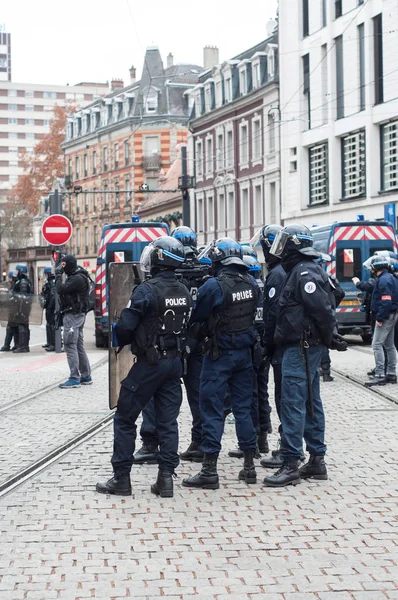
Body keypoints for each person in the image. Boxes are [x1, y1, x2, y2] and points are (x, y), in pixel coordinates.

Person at [96, 237, 192, 498]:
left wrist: (123, 336)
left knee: (125, 416)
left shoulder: (146, 290)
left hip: (150, 364)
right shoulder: (183, 290)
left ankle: (121, 479)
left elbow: (125, 327)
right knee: (168, 421)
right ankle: (165, 480)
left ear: (158, 259)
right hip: (174, 364)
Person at [262, 224, 341, 488]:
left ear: (293, 245)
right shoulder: (306, 269)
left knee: (293, 402)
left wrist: (329, 336)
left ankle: (290, 463)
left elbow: (322, 308)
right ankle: (316, 460)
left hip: (301, 347)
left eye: (283, 243)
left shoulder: (303, 271)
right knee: (309, 400)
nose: (279, 248)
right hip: (305, 346)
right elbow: (334, 296)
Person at [182, 237, 259, 489]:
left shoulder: (213, 286)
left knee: (211, 410)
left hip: (218, 356)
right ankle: (249, 467)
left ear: (217, 259)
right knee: (244, 409)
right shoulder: (251, 282)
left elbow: (198, 317)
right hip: (245, 355)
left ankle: (209, 470)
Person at [133, 226, 209, 465]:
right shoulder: (205, 271)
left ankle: (151, 443)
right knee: (199, 396)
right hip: (198, 343)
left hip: (167, 344)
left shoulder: (163, 276)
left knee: (155, 395)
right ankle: (200, 442)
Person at [228, 253, 270, 458]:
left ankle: (253, 442)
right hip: (262, 347)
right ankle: (262, 438)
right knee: (262, 393)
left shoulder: (245, 288)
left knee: (250, 396)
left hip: (249, 347)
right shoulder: (260, 287)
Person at [55, 255, 92, 388]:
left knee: (70, 344)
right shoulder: (79, 276)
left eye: (64, 265)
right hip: (76, 315)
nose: (62, 268)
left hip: (73, 315)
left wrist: (58, 275)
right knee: (78, 345)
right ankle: (86, 375)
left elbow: (60, 289)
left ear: (68, 265)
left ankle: (74, 377)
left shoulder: (77, 279)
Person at [364, 255, 398, 387]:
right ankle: (391, 374)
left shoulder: (383, 280)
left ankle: (379, 375)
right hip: (393, 314)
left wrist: (379, 318)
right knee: (389, 345)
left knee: (377, 344)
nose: (371, 269)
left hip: (386, 315)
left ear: (376, 267)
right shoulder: (392, 277)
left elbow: (386, 300)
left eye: (372, 266)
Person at [12, 264, 33, 353]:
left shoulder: (23, 282)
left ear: (20, 271)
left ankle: (23, 346)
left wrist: (20, 308)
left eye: (17, 271)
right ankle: (21, 345)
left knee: (22, 327)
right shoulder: (21, 281)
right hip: (21, 307)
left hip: (23, 308)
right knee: (22, 326)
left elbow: (22, 297)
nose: (16, 272)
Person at [0, 271, 18, 352]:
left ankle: (7, 345)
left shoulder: (15, 285)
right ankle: (12, 344)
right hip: (13, 310)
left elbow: (14, 297)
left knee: (11, 328)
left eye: (10, 277)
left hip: (14, 310)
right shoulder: (13, 285)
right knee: (12, 328)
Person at [41, 266, 56, 352]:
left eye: (46, 274)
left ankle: (53, 344)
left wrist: (50, 307)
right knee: (48, 325)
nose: (46, 275)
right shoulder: (49, 283)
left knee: (52, 326)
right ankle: (49, 342)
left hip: (52, 308)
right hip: (49, 307)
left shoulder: (53, 283)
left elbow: (53, 296)